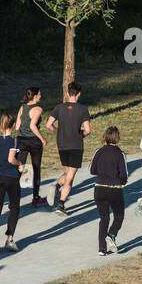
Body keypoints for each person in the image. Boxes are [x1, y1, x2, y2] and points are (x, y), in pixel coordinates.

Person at [47, 81, 91, 217]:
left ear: (67, 93)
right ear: (79, 94)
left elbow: (48, 125)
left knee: (67, 173)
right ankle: (60, 204)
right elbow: (88, 130)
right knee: (70, 176)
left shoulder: (59, 107)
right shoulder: (83, 110)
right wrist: (81, 134)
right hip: (76, 145)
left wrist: (58, 131)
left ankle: (57, 186)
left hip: (62, 145)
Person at [0, 112, 24, 254]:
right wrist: (20, 164)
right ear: (12, 125)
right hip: (11, 178)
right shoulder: (14, 141)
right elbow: (11, 159)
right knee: (14, 207)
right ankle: (10, 239)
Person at [89, 126, 128, 256]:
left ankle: (101, 249)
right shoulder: (120, 154)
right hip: (114, 189)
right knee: (119, 216)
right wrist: (121, 181)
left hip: (99, 188)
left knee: (103, 219)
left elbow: (92, 170)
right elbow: (124, 175)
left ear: (105, 137)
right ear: (117, 138)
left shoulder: (98, 151)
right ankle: (111, 235)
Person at [14, 87, 48, 208]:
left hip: (21, 140)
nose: (41, 96)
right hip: (34, 142)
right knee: (36, 168)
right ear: (34, 96)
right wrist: (42, 139)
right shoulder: (38, 109)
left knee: (19, 168)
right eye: (39, 94)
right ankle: (35, 198)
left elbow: (17, 127)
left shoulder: (22, 107)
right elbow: (33, 126)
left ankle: (14, 199)